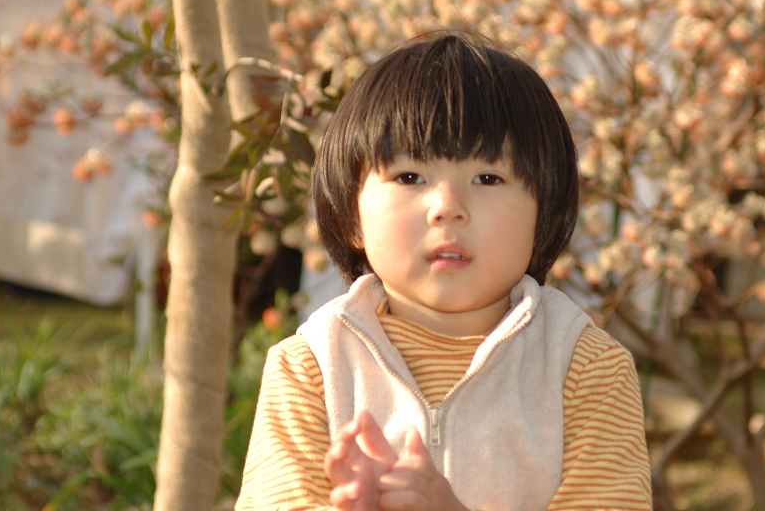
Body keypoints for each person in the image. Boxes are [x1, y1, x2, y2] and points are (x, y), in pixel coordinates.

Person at [236, 33, 651, 511]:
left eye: (488, 178)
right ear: (351, 215)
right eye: (410, 177)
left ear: (544, 214)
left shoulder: (586, 369)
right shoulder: (310, 367)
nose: (448, 208)